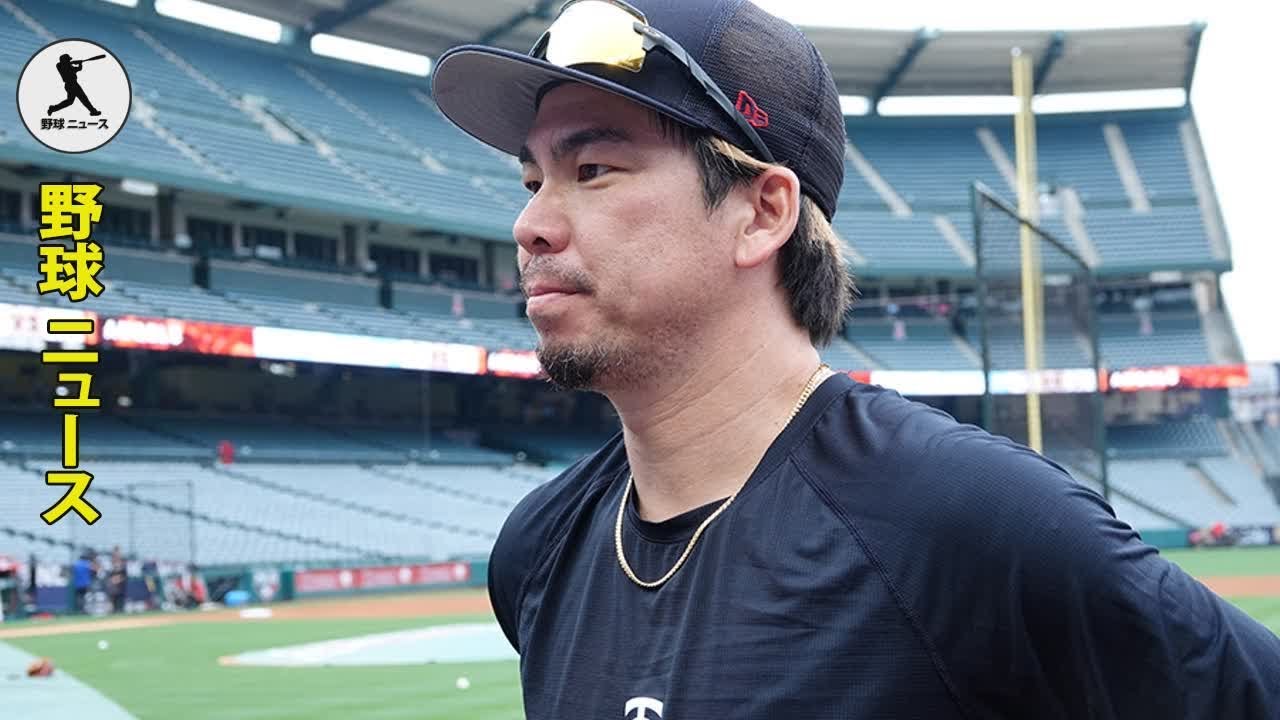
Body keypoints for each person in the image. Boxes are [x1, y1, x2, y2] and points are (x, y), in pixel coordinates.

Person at [432, 0, 1280, 717]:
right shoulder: (538, 547)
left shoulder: (973, 520)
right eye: (532, 181)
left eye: (592, 169)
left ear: (763, 213)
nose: (530, 225)